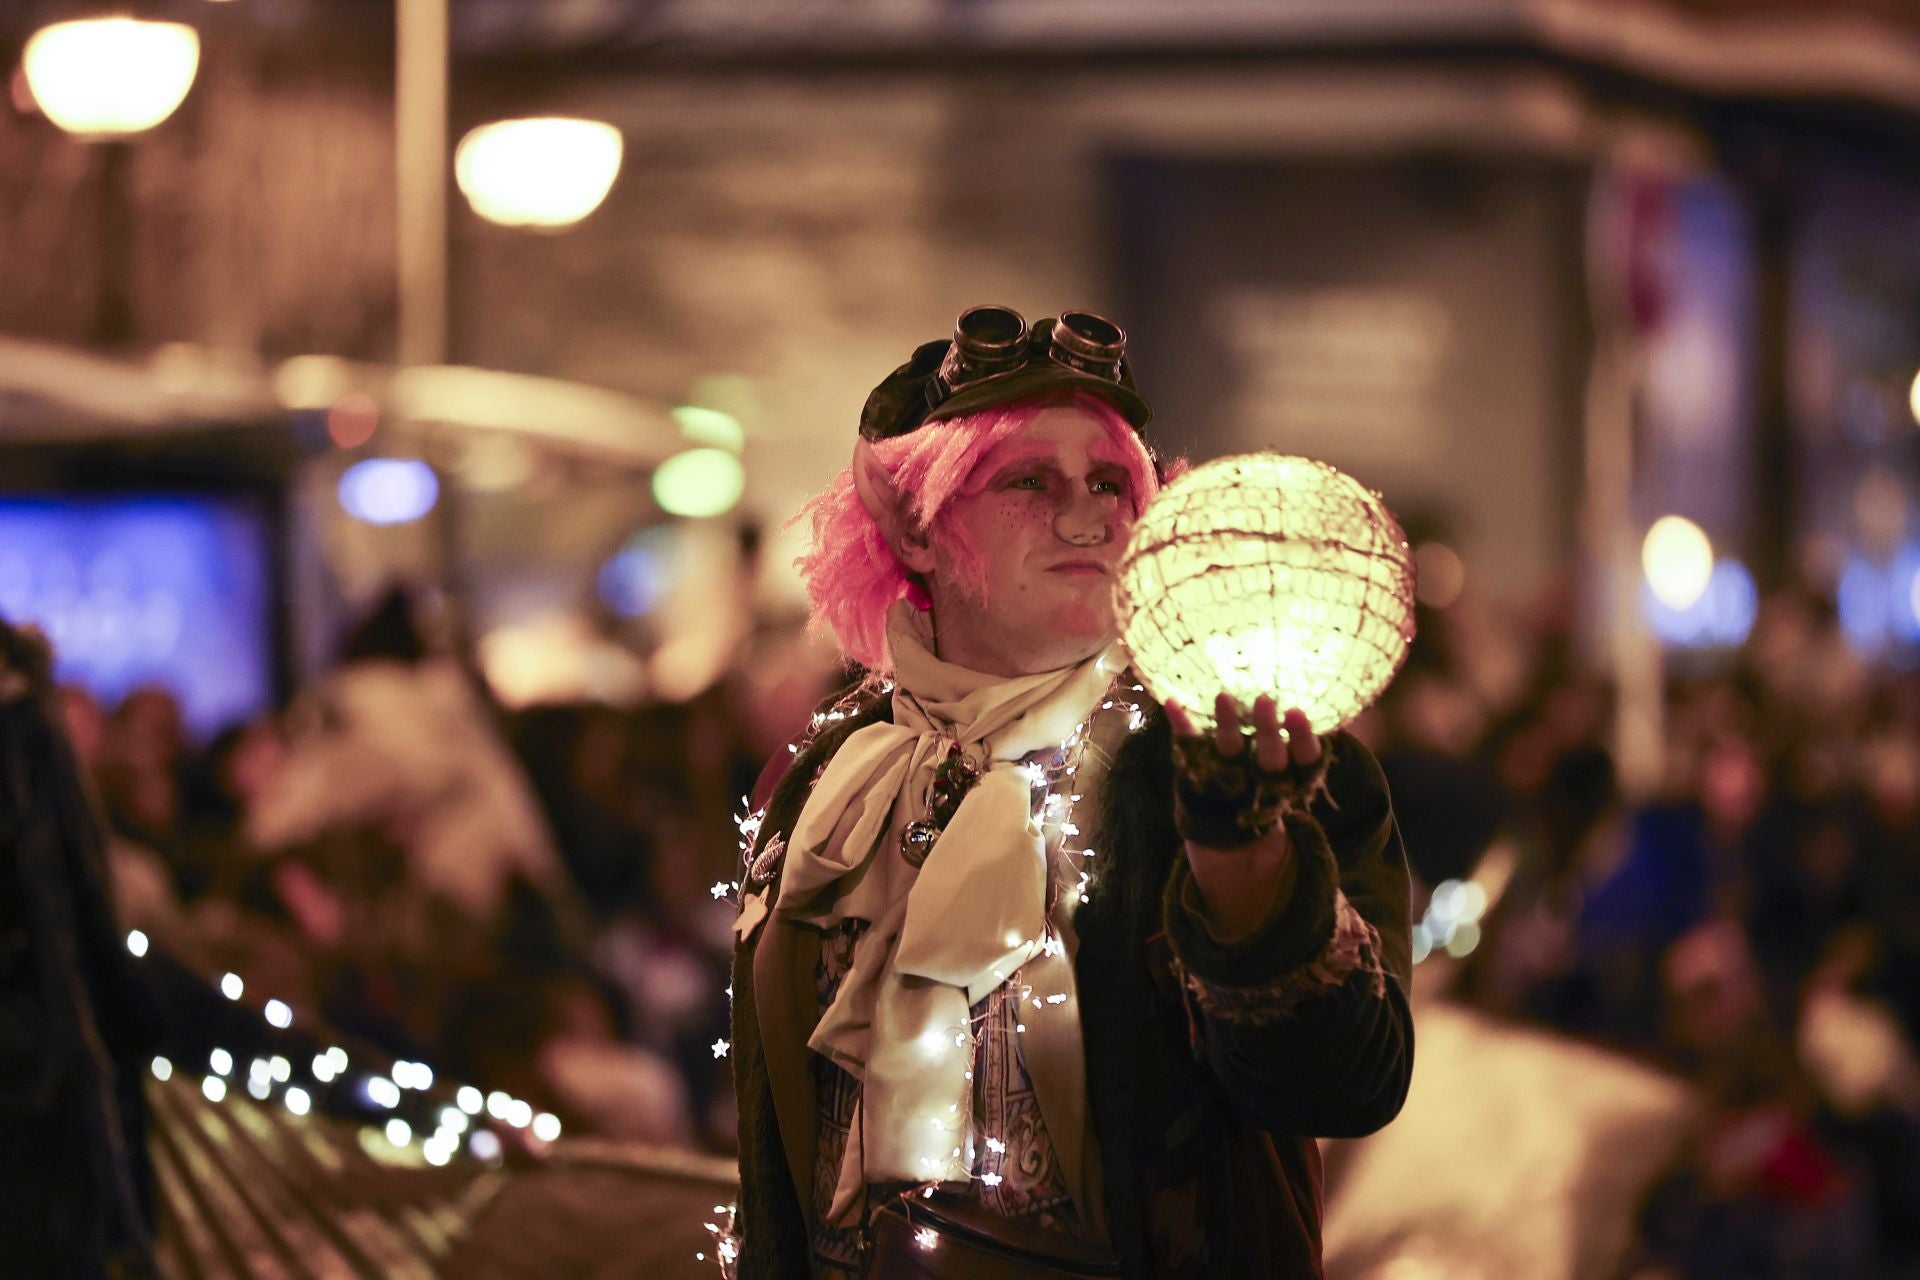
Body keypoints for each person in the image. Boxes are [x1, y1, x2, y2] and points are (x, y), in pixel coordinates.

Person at [727, 307, 1414, 1278]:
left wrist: (1244, 860)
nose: (1087, 516)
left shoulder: (1238, 756)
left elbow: (1347, 1085)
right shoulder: (832, 776)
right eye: (1026, 481)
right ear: (918, 533)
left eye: (1108, 482)